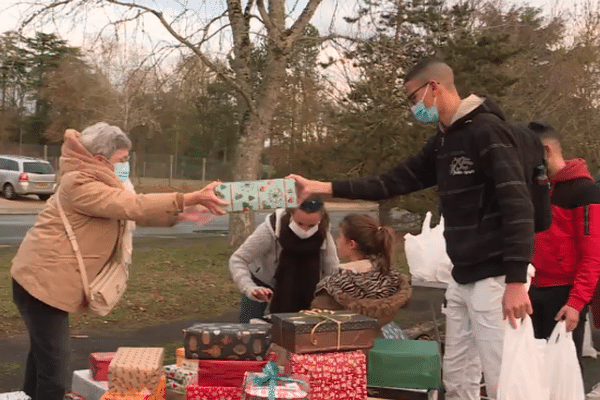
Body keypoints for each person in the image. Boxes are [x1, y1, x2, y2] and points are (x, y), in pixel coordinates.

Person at [288, 58, 534, 400]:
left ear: (434, 86)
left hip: (495, 277)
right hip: (461, 274)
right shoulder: (444, 141)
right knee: (458, 372)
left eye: (412, 98)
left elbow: (517, 204)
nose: (413, 107)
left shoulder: (488, 132)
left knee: (502, 373)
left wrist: (516, 279)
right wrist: (321, 186)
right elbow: (391, 181)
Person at [10, 122, 227, 400]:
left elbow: (132, 209)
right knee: (55, 364)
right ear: (100, 160)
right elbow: (130, 205)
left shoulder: (99, 180)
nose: (126, 165)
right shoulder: (79, 182)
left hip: (46, 280)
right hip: (39, 282)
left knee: (44, 354)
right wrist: (189, 197)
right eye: (122, 160)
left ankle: (31, 394)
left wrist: (183, 213)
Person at [528, 121, 600, 366]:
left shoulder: (585, 191)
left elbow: (593, 255)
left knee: (563, 374)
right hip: (530, 290)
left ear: (546, 151)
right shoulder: (534, 188)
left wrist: (576, 302)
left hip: (563, 294)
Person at [229, 197, 339, 322]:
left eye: (312, 225)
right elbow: (238, 259)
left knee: (299, 331)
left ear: (320, 220)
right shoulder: (269, 229)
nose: (305, 231)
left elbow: (332, 273)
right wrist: (250, 288)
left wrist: (323, 299)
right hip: (261, 282)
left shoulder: (323, 234)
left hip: (304, 287)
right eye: (300, 224)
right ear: (290, 214)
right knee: (248, 330)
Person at [310, 214, 411, 328]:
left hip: (344, 341)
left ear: (352, 244)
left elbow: (318, 319)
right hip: (383, 337)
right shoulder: (391, 278)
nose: (337, 241)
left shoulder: (334, 284)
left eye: (340, 236)